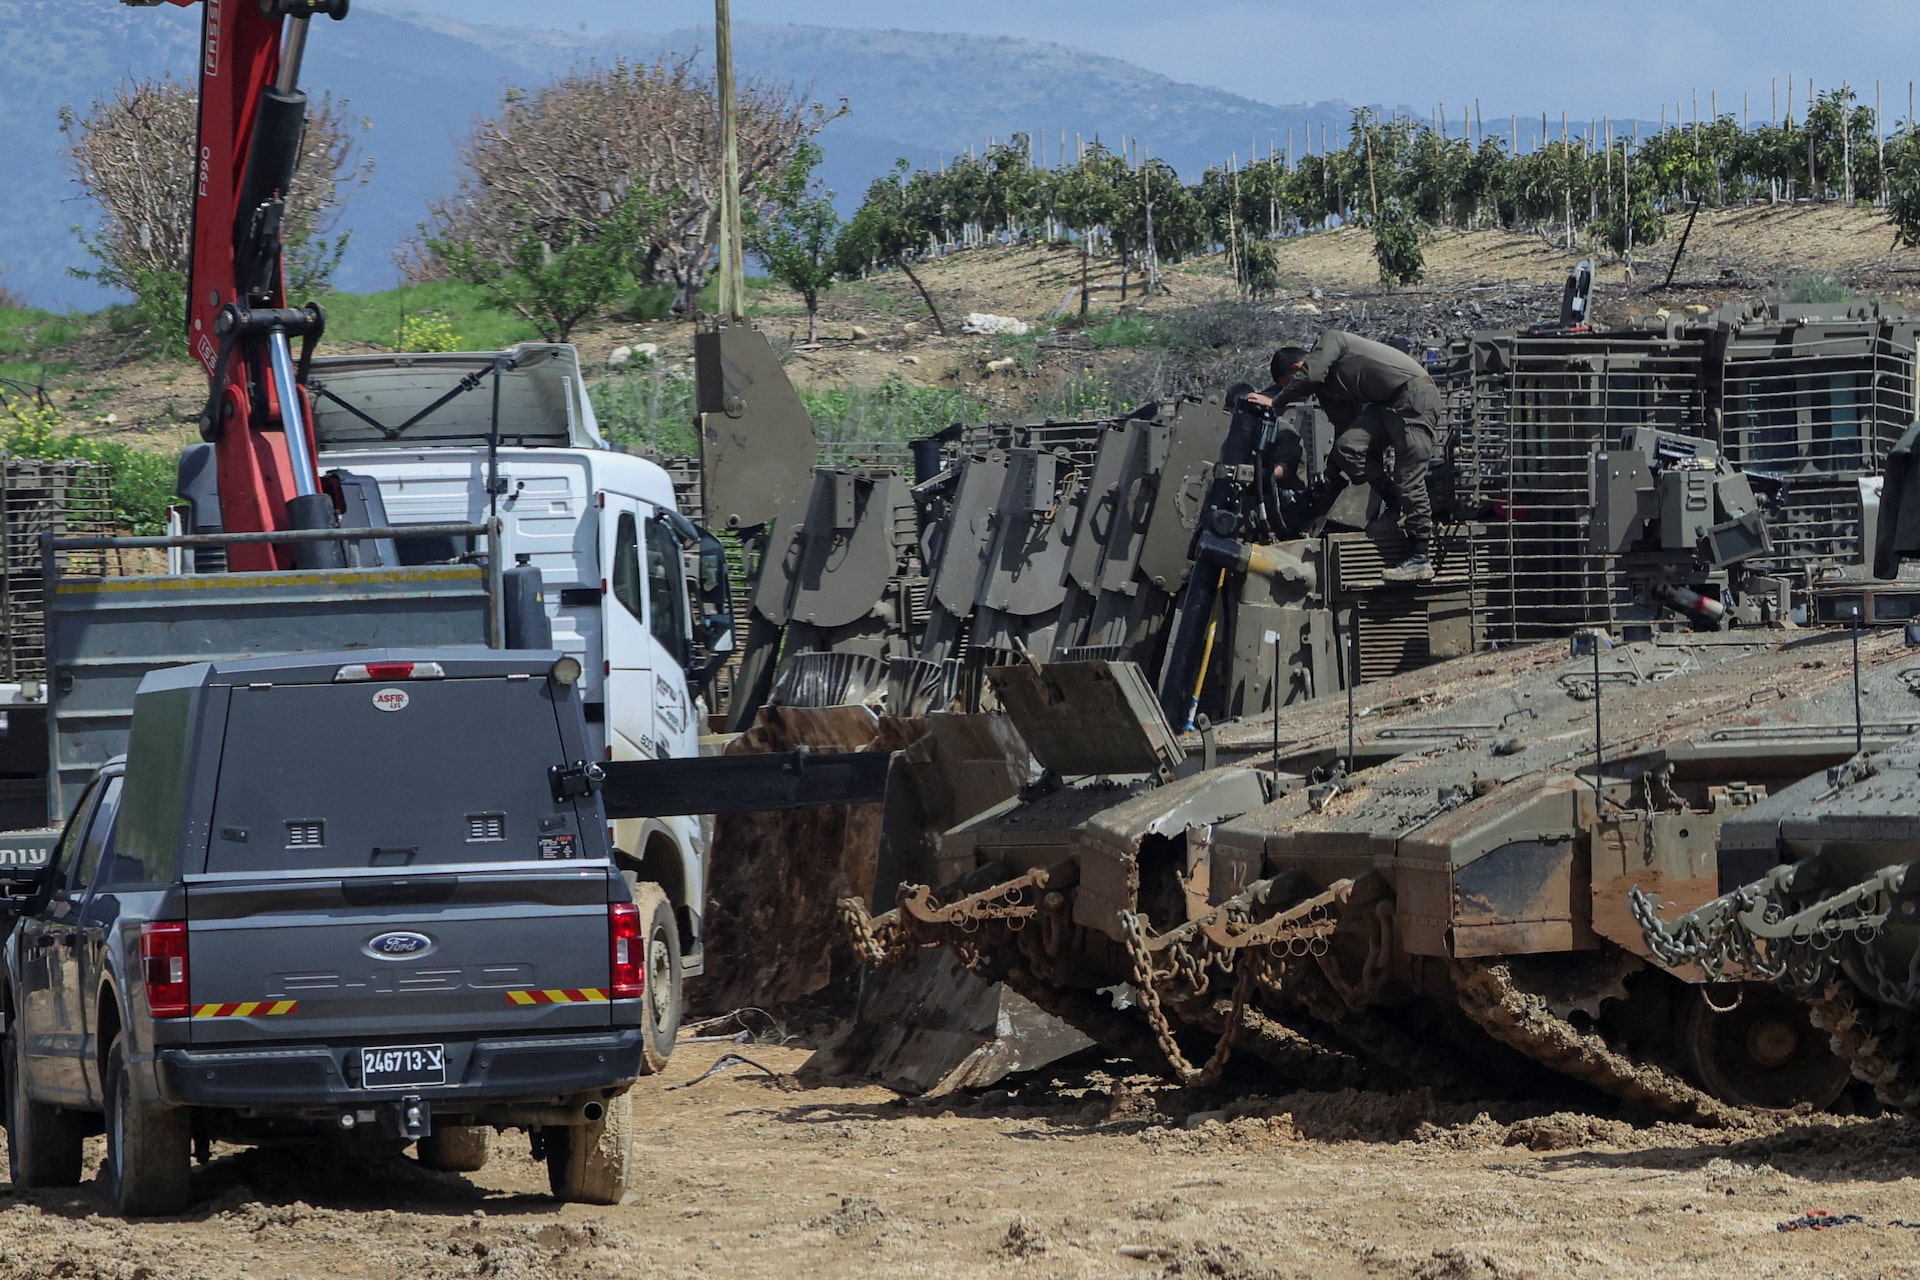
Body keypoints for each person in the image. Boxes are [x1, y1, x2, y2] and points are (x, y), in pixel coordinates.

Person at [1245, 331, 1442, 582]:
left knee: (1408, 478)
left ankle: (1420, 557)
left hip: (1413, 396)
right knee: (1348, 447)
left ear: (1297, 368)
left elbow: (1312, 373)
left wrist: (1276, 402)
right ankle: (1394, 501)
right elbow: (1345, 430)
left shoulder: (1331, 341)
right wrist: (1327, 477)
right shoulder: (1328, 390)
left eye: (1292, 384)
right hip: (1385, 407)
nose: (1298, 392)